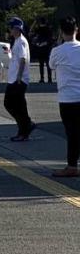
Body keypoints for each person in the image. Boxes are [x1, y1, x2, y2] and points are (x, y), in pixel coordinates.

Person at [50, 16, 80, 179]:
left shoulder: (57, 51)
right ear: (77, 30)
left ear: (61, 32)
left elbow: (51, 65)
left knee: (72, 133)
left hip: (67, 98)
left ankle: (72, 165)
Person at [4, 17, 35, 142]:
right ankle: (25, 127)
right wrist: (9, 53)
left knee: (11, 104)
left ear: (16, 29)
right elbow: (17, 58)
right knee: (18, 105)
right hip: (14, 79)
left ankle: (25, 127)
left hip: (18, 80)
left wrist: (19, 76)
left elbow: (23, 59)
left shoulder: (21, 41)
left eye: (11, 28)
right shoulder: (17, 41)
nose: (9, 30)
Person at [31, 17, 54, 84]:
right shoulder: (48, 29)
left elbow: (31, 31)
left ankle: (42, 78)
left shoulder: (39, 29)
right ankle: (49, 79)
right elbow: (51, 39)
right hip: (46, 48)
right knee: (48, 64)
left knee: (41, 64)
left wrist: (34, 23)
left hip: (41, 48)